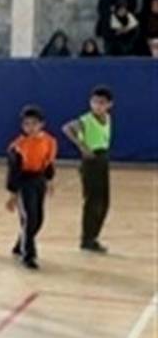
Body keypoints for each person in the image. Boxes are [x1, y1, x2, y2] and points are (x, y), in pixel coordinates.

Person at [62, 85, 114, 253]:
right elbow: (67, 128)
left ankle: (94, 236)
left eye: (102, 103)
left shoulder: (108, 118)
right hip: (91, 161)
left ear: (109, 104)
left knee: (104, 202)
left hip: (103, 159)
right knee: (92, 202)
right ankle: (87, 239)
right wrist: (82, 146)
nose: (98, 106)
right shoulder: (85, 120)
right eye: (95, 102)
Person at [6, 106, 57, 270]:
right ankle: (28, 255)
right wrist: (12, 194)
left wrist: (49, 181)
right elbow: (14, 171)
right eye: (27, 124)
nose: (30, 127)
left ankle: (20, 244)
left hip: (38, 180)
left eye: (34, 123)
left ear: (42, 124)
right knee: (29, 217)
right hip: (24, 181)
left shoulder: (49, 141)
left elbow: (48, 163)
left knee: (39, 218)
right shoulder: (18, 146)